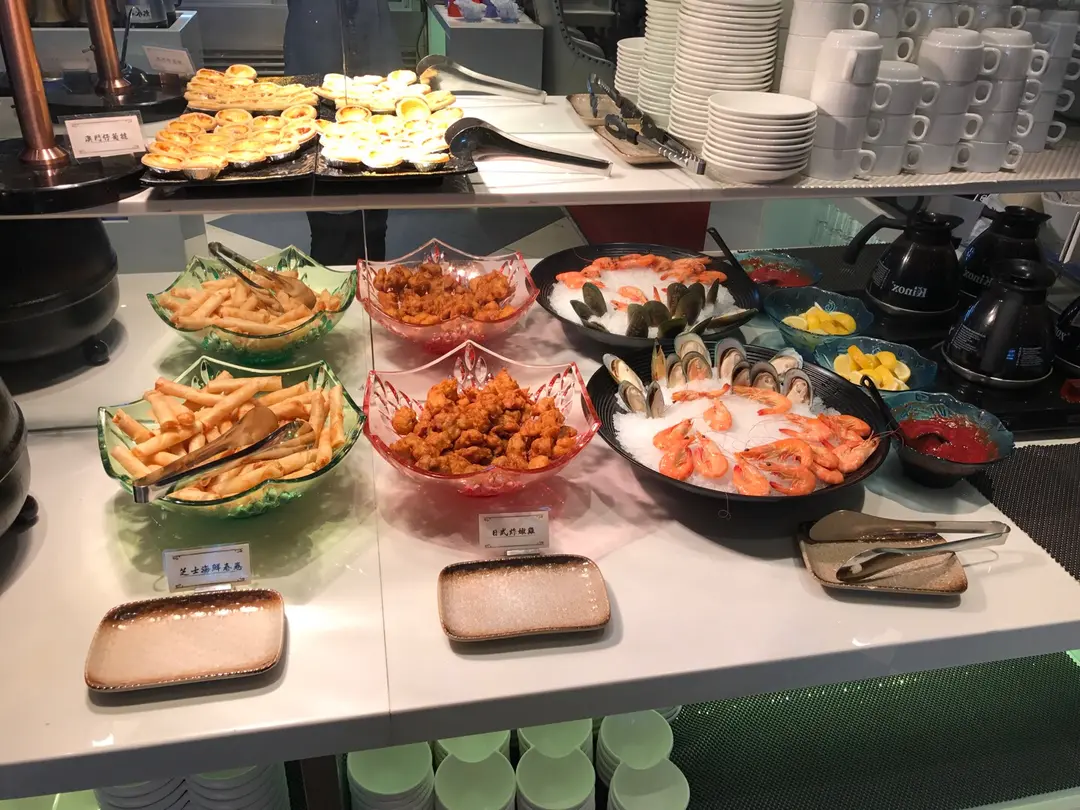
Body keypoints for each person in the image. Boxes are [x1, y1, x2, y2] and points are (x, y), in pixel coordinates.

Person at [284, 0, 401, 264]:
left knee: (375, 207)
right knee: (329, 218)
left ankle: (369, 276)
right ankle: (336, 278)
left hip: (371, 41)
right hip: (318, 40)